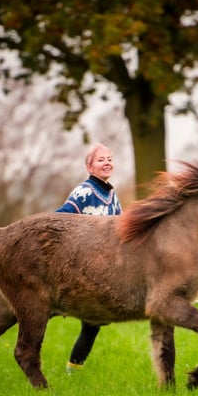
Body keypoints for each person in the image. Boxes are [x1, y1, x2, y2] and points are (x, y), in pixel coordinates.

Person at [56, 143, 122, 372]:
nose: (107, 163)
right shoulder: (83, 192)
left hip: (101, 269)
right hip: (80, 269)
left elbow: (119, 229)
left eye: (110, 159)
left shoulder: (112, 195)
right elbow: (60, 219)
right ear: (89, 166)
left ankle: (73, 370)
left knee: (93, 324)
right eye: (101, 159)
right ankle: (70, 370)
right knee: (92, 320)